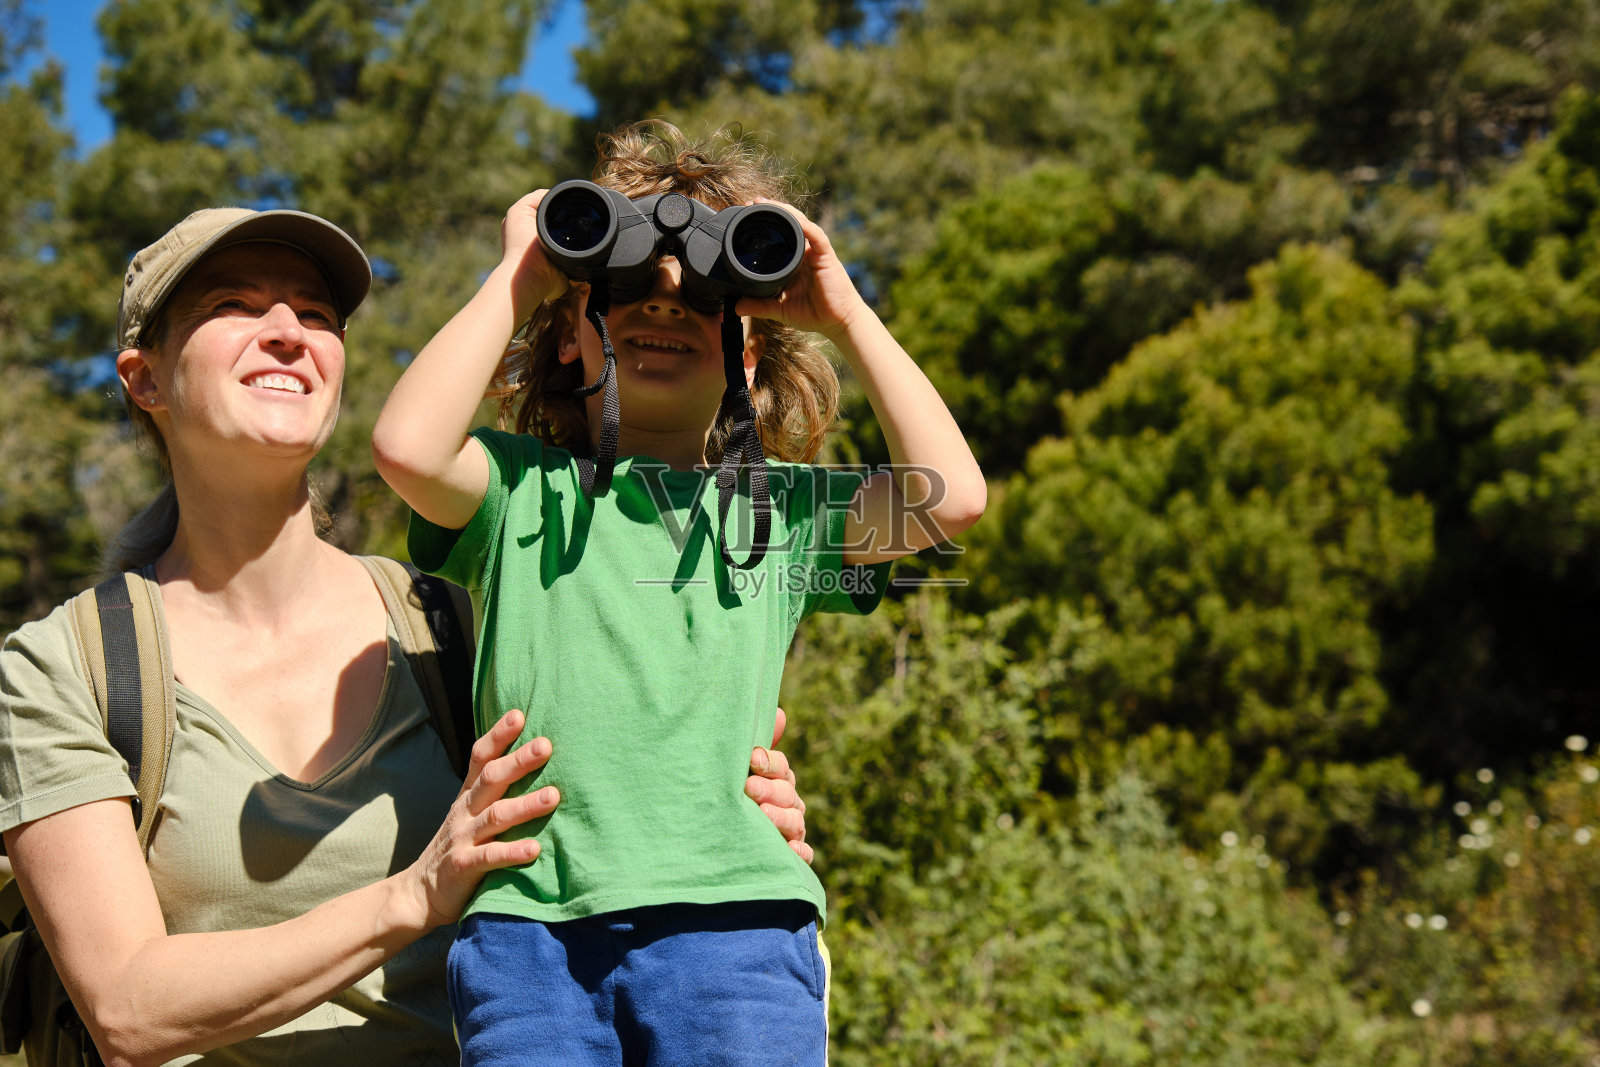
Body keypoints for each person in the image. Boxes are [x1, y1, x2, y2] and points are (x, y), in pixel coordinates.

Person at [0, 204, 814, 1067]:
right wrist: (414, 895)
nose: (288, 332)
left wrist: (722, 806)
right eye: (234, 305)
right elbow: (128, 1010)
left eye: (316, 315)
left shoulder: (451, 627)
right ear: (145, 379)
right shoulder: (65, 670)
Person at [371, 121, 986, 1064]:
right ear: (571, 341)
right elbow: (408, 447)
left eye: (704, 295)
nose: (664, 304)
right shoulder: (518, 491)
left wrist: (845, 311)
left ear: (749, 356)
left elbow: (953, 498)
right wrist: (522, 275)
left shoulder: (780, 514)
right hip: (530, 927)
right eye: (622, 291)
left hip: (736, 921)